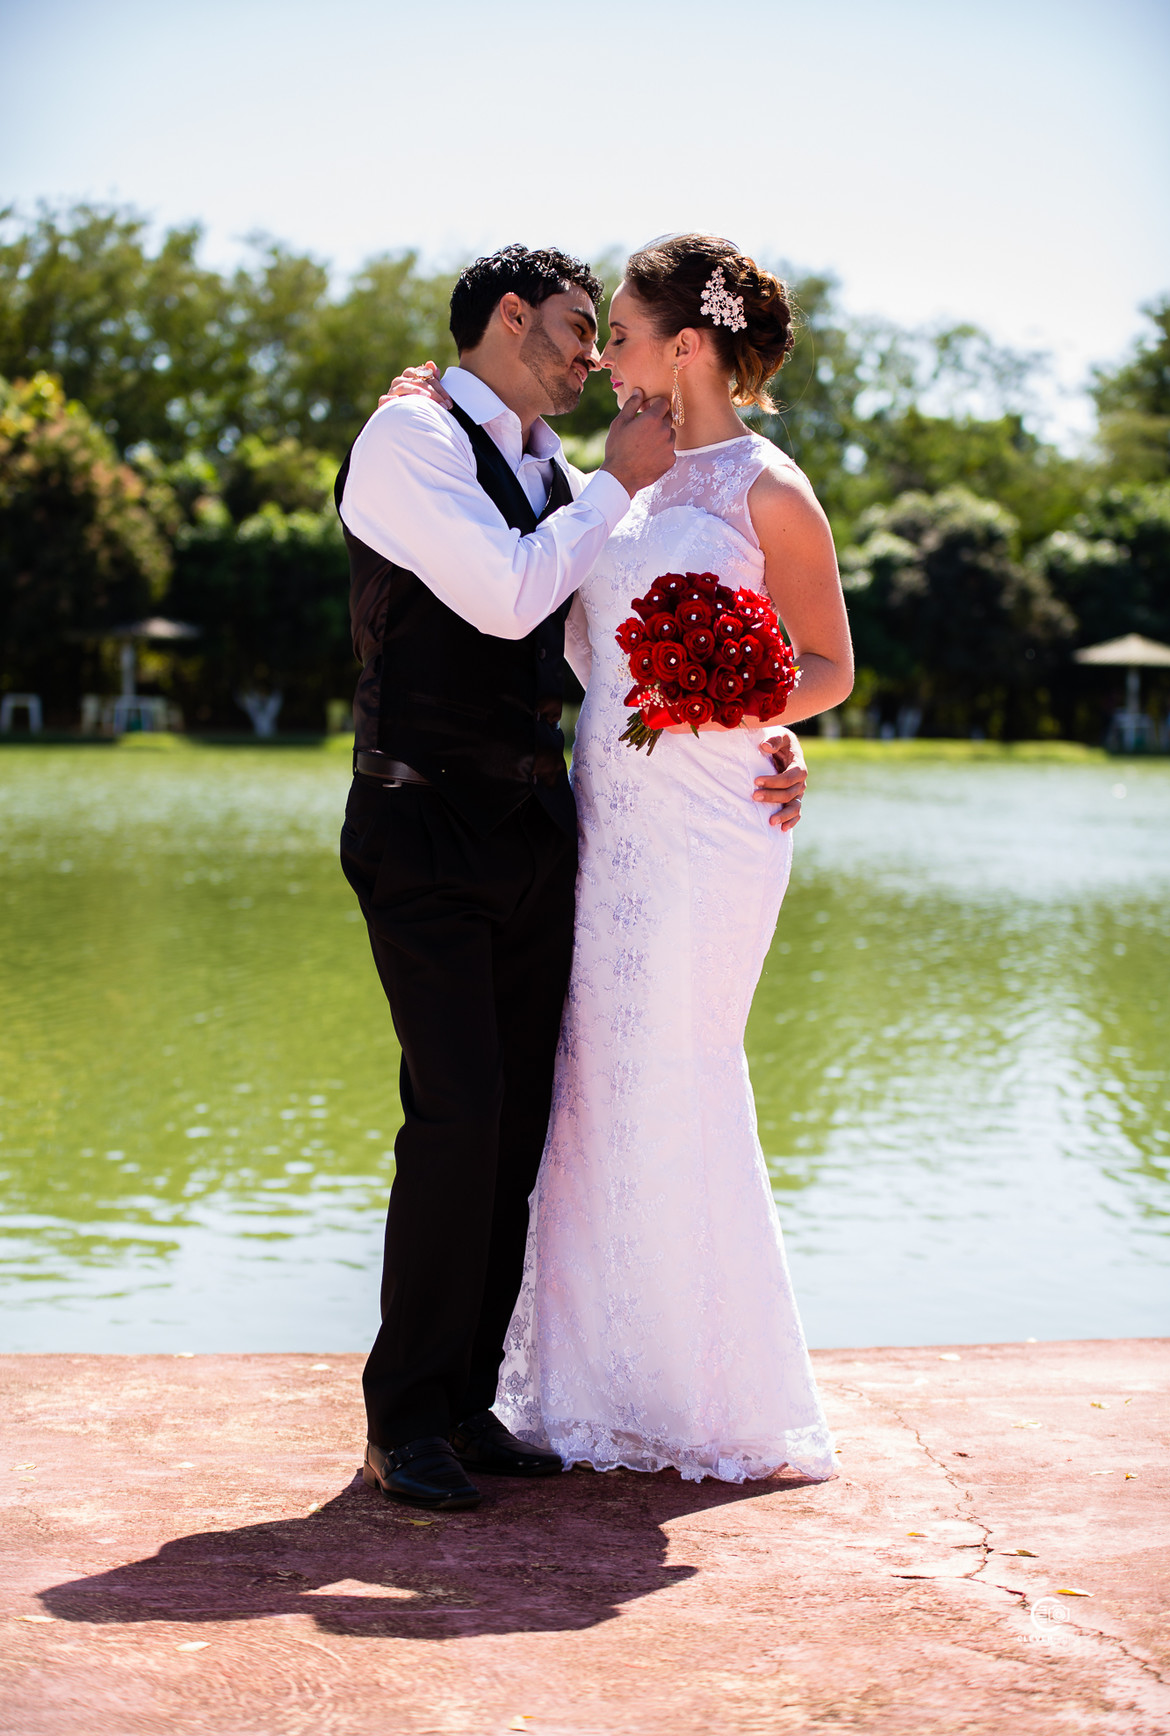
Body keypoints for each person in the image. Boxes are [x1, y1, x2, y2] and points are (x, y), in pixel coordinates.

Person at [337, 245, 807, 1511]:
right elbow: (503, 596)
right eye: (571, 328)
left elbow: (742, 643)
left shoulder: (554, 462)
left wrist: (765, 729)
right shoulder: (411, 439)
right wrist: (611, 487)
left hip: (554, 831)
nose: (593, 355)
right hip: (423, 821)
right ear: (507, 318)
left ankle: (469, 1401)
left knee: (524, 1124)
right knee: (457, 1113)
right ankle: (405, 1419)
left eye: (608, 332)